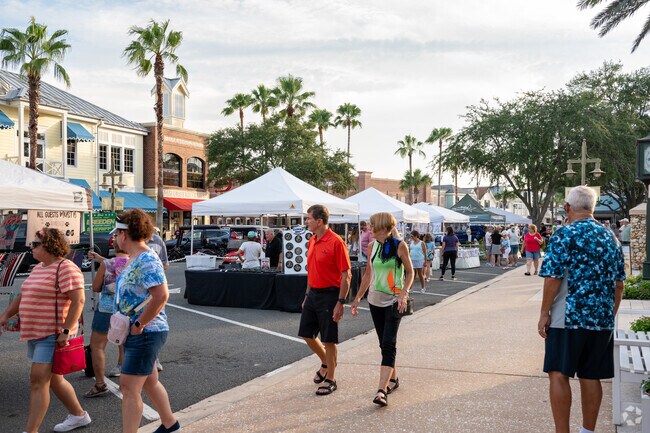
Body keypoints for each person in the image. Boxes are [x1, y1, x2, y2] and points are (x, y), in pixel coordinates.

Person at [538, 186, 625, 433]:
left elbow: (553, 277)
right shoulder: (611, 238)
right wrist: (610, 313)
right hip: (601, 319)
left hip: (568, 317)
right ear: (593, 209)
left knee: (558, 373)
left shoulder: (564, 235)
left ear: (568, 208)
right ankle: (588, 430)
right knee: (591, 375)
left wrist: (544, 312)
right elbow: (619, 284)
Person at [0, 228, 91, 433]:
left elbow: (78, 301)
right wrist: (5, 316)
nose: (30, 247)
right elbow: (22, 296)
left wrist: (66, 332)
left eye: (35, 244)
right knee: (54, 379)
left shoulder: (66, 268)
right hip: (36, 332)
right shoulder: (39, 267)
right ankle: (79, 415)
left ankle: (31, 430)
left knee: (38, 380)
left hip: (52, 334)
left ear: (49, 246)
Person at [113, 210, 179, 433]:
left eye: (117, 233)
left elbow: (162, 295)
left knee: (129, 387)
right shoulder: (136, 258)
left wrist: (139, 324)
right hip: (142, 331)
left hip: (146, 331)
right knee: (150, 381)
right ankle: (170, 425)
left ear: (125, 234)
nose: (114, 238)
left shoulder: (146, 258)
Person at [350, 212, 414, 407]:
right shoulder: (372, 246)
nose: (369, 227)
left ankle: (381, 390)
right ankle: (393, 379)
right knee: (382, 343)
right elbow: (368, 274)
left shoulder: (399, 246)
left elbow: (410, 272)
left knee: (388, 344)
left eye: (372, 225)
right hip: (374, 301)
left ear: (383, 227)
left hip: (394, 301)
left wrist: (404, 292)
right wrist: (357, 297)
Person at [298, 204, 351, 396]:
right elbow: (311, 271)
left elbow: (346, 275)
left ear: (319, 221)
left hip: (330, 295)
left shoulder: (336, 242)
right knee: (307, 334)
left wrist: (340, 302)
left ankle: (331, 379)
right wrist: (306, 295)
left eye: (309, 219)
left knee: (329, 339)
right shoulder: (312, 240)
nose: (306, 222)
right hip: (313, 294)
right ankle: (326, 364)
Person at [84, 238, 128, 397]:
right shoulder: (135, 263)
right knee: (125, 344)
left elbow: (96, 287)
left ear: (114, 247)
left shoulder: (108, 264)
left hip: (106, 308)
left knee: (97, 346)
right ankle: (126, 383)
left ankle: (100, 383)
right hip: (126, 309)